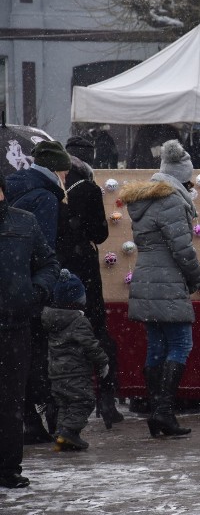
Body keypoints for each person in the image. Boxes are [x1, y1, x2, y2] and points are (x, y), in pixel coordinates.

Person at [119, 139, 200, 438]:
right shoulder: (171, 201)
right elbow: (182, 250)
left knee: (156, 345)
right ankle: (164, 412)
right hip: (167, 281)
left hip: (146, 277)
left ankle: (156, 411)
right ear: (181, 174)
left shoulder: (146, 201)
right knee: (181, 344)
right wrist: (196, 278)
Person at [5, 140, 72, 444]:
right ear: (57, 170)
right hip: (26, 295)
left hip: (10, 289)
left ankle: (24, 422)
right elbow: (44, 251)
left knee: (16, 364)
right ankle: (32, 423)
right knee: (33, 359)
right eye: (65, 173)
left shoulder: (16, 185)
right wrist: (39, 290)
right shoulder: (45, 198)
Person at [0, 171, 60, 488]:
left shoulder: (23, 222)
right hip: (14, 321)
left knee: (10, 400)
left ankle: (8, 468)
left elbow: (48, 263)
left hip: (14, 324)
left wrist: (35, 293)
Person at [58, 137, 123, 427]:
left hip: (57, 267)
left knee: (61, 334)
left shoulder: (52, 187)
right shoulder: (88, 188)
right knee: (97, 330)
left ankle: (60, 405)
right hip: (83, 266)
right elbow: (99, 234)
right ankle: (106, 399)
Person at [42, 270, 110, 451]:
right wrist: (103, 361)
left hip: (56, 372)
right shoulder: (78, 321)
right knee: (83, 401)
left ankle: (61, 435)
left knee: (65, 403)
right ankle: (69, 432)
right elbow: (90, 345)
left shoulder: (52, 319)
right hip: (76, 372)